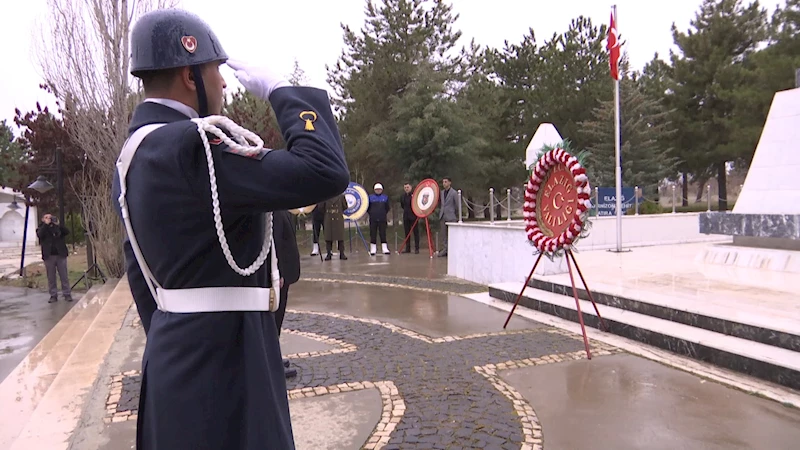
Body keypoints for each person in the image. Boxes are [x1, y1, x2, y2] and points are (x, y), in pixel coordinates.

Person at [111, 9, 349, 450]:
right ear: (189, 75)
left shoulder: (132, 155)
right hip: (229, 364)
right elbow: (325, 170)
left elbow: (139, 272)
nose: (222, 84)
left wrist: (179, 327)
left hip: (172, 359)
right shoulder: (193, 146)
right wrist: (284, 91)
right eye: (215, 71)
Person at [272, 210, 300, 378]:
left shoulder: (281, 208)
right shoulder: (273, 210)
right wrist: (277, 272)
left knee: (278, 318)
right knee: (274, 319)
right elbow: (273, 243)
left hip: (284, 274)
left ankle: (274, 355)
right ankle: (272, 362)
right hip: (278, 276)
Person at [36, 213, 72, 303]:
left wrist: (58, 224)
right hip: (49, 256)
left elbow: (67, 232)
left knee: (64, 275)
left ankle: (67, 294)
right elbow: (40, 235)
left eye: (50, 217)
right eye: (46, 217)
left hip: (60, 255)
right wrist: (45, 224)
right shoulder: (41, 228)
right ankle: (53, 295)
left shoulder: (57, 227)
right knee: (51, 277)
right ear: (42, 219)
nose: (49, 219)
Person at [321, 193, 347, 260]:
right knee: (328, 237)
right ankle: (329, 253)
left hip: (338, 217)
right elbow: (321, 208)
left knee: (340, 237)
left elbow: (345, 206)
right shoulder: (325, 197)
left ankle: (342, 253)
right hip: (328, 218)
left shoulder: (341, 196)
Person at [368, 183, 391, 255]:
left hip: (382, 218)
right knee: (373, 234)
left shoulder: (385, 197)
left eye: (379, 189)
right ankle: (373, 249)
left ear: (382, 190)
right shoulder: (370, 197)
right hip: (373, 219)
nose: (378, 191)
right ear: (374, 190)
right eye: (377, 189)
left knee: (383, 233)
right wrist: (372, 213)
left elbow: (387, 208)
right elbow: (368, 208)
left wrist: (383, 213)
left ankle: (384, 248)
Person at [438, 177, 458, 257]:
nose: (444, 184)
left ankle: (452, 249)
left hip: (451, 216)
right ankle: (445, 249)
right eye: (443, 182)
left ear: (450, 183)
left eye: (446, 182)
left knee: (451, 234)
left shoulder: (454, 193)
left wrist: (455, 214)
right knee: (444, 234)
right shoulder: (442, 193)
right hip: (443, 215)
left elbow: (457, 205)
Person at [399, 182, 419, 254]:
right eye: (405, 188)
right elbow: (402, 205)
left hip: (414, 216)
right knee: (407, 233)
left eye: (407, 187)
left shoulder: (414, 195)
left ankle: (417, 248)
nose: (406, 189)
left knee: (415, 232)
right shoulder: (402, 196)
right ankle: (408, 248)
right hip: (406, 216)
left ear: (410, 187)